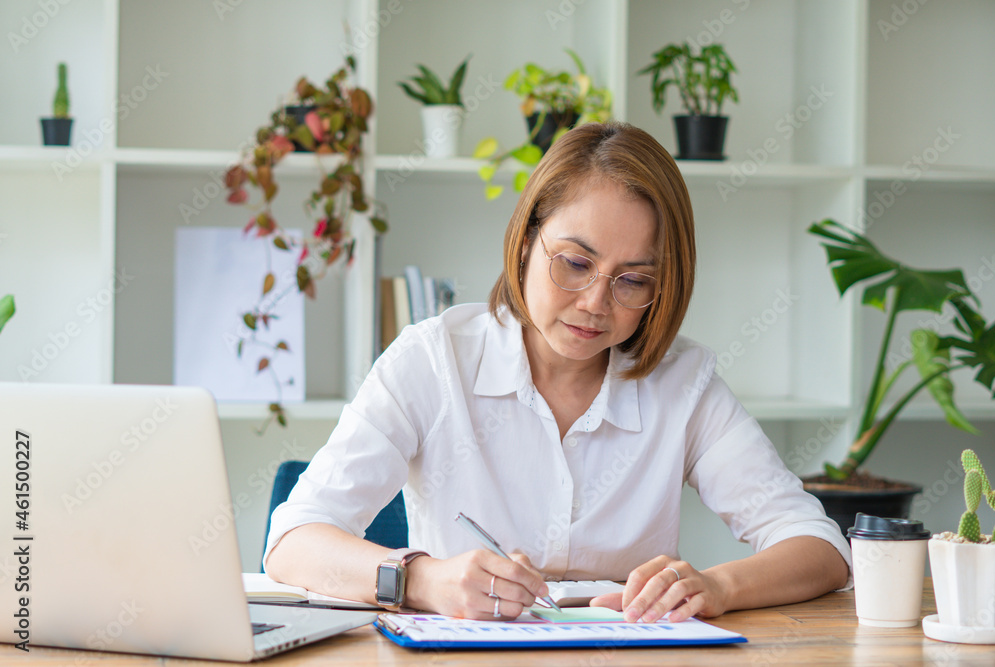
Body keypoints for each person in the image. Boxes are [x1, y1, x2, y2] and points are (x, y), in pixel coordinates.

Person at [264, 121, 851, 623]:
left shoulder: (683, 383)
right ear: (526, 241)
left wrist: (720, 587)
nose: (597, 302)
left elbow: (820, 546)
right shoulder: (433, 359)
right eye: (575, 262)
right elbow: (292, 542)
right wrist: (422, 579)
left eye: (634, 280)